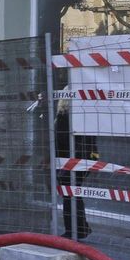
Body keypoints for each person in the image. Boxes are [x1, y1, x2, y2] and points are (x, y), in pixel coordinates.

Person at [55, 102, 91, 239]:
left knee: (70, 194)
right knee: (74, 193)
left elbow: (62, 138)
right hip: (81, 158)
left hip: (69, 160)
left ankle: (74, 230)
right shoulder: (84, 114)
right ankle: (81, 227)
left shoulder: (64, 116)